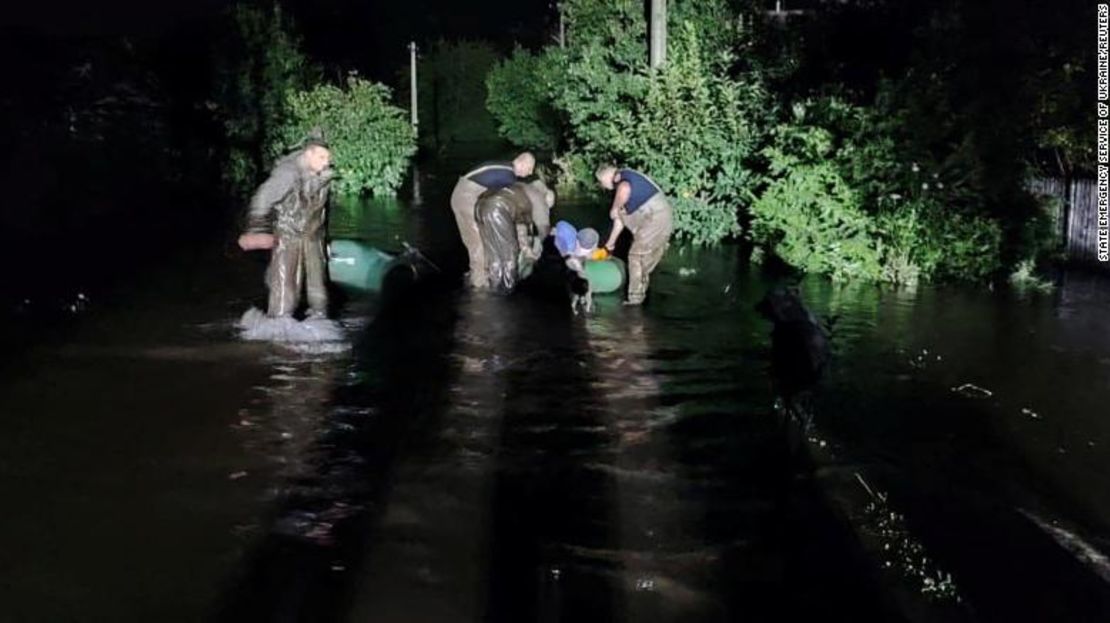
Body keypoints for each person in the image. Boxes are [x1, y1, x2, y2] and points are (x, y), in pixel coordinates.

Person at [238, 139, 335, 318]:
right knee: (286, 291)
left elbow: (324, 212)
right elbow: (262, 199)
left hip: (314, 237)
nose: (326, 161)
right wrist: (257, 230)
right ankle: (279, 327)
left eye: (328, 158)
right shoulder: (287, 174)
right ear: (309, 154)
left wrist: (326, 239)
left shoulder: (325, 176)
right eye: (322, 157)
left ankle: (319, 319)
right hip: (288, 235)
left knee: (319, 292)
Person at [450, 153, 536, 289]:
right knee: (478, 242)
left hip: (462, 194)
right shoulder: (508, 176)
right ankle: (479, 285)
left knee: (474, 241)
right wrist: (524, 243)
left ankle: (476, 275)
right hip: (466, 197)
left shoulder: (504, 168)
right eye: (530, 168)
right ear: (522, 163)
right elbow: (514, 207)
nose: (531, 172)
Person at [596, 165, 673, 305]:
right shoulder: (627, 179)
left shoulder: (621, 178)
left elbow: (625, 188)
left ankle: (635, 301)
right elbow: (620, 220)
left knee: (636, 256)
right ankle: (642, 296)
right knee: (644, 264)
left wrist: (614, 207)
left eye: (601, 183)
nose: (603, 186)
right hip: (661, 219)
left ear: (605, 177)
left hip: (655, 217)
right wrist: (609, 244)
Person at [473, 178, 554, 293]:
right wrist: (539, 249)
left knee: (494, 254)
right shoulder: (538, 197)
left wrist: (526, 248)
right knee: (510, 254)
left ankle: (494, 288)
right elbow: (544, 230)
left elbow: (518, 227)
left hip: (479, 207)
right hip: (497, 208)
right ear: (545, 198)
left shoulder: (520, 190)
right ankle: (508, 290)